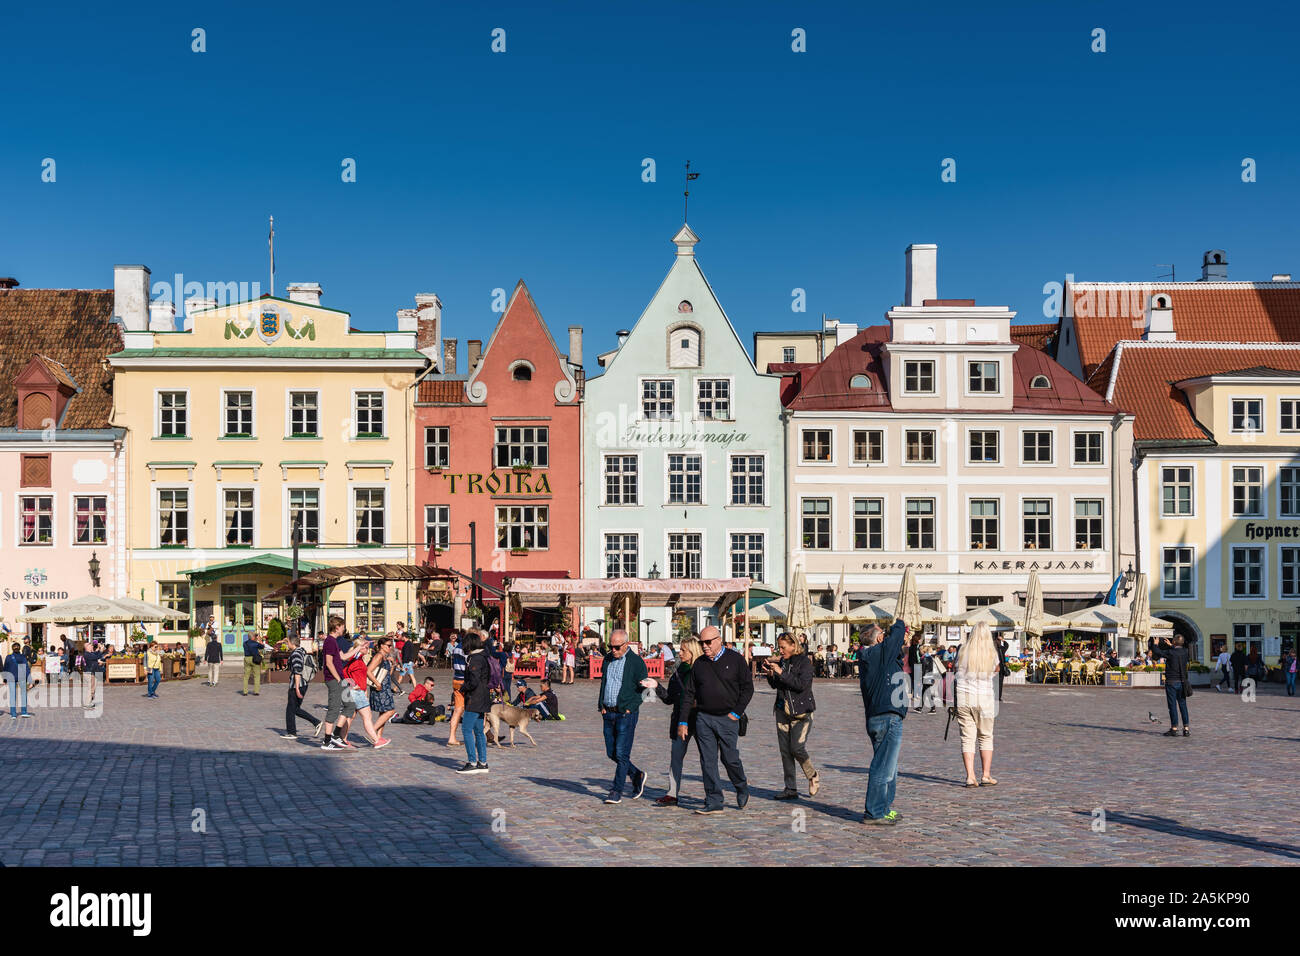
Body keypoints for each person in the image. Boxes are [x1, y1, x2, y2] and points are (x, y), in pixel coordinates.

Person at [678, 625, 752, 815]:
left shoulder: (735, 660)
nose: (705, 646)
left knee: (730, 759)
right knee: (707, 761)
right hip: (704, 718)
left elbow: (747, 689)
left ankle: (741, 786)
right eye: (702, 643)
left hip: (728, 718)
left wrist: (736, 713)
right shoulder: (700, 664)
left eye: (708, 642)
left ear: (719, 640)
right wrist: (683, 721)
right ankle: (714, 800)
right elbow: (689, 693)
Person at [641, 635, 701, 806]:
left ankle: (712, 794)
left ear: (693, 651)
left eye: (683, 650)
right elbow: (669, 699)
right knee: (676, 756)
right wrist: (656, 686)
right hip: (680, 719)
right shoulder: (679, 672)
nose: (679, 653)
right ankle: (672, 793)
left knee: (707, 757)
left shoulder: (702, 670)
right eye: (680, 650)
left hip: (700, 718)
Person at [858, 619, 908, 825]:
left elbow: (898, 650)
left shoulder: (873, 657)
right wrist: (899, 623)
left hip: (879, 717)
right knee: (882, 767)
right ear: (879, 638)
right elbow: (896, 637)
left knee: (890, 767)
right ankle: (875, 812)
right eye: (883, 636)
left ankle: (884, 807)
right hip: (887, 716)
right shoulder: (878, 653)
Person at [765, 632, 819, 800]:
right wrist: (771, 675)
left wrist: (781, 672)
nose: (780, 650)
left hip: (801, 712)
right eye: (779, 647)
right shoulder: (783, 661)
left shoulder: (804, 663)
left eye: (783, 647)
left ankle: (812, 775)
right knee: (785, 751)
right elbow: (778, 685)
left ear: (793, 646)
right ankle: (790, 788)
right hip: (782, 710)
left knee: (796, 747)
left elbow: (801, 685)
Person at [598, 629, 649, 804]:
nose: (613, 650)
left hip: (626, 714)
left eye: (617, 647)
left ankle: (616, 790)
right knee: (612, 753)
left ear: (626, 645)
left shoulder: (636, 662)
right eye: (610, 646)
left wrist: (630, 708)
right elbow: (604, 682)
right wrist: (601, 705)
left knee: (622, 753)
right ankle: (637, 775)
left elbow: (646, 690)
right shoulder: (608, 659)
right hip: (608, 712)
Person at [955, 623, 999, 787]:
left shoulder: (962, 650)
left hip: (964, 697)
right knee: (986, 736)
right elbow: (995, 670)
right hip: (985, 697)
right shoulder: (991, 652)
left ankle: (970, 776)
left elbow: (957, 670)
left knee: (967, 738)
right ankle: (986, 775)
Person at [319, 617, 361, 750]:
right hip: (334, 679)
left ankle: (336, 735)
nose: (344, 628)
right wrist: (337, 678)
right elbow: (329, 662)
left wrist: (359, 648)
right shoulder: (330, 641)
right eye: (342, 626)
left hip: (340, 679)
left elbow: (343, 657)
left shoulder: (334, 641)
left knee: (350, 706)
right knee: (334, 708)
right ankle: (327, 741)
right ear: (337, 627)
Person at [456, 630, 491, 774]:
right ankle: (482, 762)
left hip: (474, 698)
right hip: (482, 697)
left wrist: (463, 688)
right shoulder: (483, 657)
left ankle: (472, 762)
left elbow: (474, 680)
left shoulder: (475, 659)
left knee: (466, 729)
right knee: (478, 731)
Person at [281, 633, 322, 739]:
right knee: (295, 709)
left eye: (288, 642)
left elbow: (298, 671)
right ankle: (315, 722)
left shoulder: (295, 654)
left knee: (291, 709)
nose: (287, 644)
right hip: (303, 684)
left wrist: (297, 688)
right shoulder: (301, 651)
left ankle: (292, 732)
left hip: (297, 685)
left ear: (291, 643)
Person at [1150, 635, 1190, 737]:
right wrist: (1172, 645)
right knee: (1183, 705)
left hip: (1171, 682)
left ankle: (1174, 728)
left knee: (1172, 706)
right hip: (1182, 682)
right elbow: (1177, 651)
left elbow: (1158, 652)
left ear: (1174, 642)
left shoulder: (1171, 652)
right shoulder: (1185, 652)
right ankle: (1186, 729)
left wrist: (1155, 644)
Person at [367, 636, 399, 736]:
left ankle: (378, 737)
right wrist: (377, 683)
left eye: (391, 646)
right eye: (389, 646)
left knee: (383, 712)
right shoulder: (379, 656)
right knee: (390, 711)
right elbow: (368, 671)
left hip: (385, 687)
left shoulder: (385, 657)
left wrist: (392, 665)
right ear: (381, 646)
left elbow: (387, 674)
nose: (391, 648)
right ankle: (371, 731)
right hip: (379, 688)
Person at [4, 643, 31, 718]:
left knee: (12, 695)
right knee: (23, 695)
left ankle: (13, 714)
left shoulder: (8, 657)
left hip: (11, 678)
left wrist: (5, 678)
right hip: (21, 677)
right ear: (19, 648)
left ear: (12, 648)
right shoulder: (22, 657)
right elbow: (26, 668)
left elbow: (5, 667)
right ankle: (24, 712)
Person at [241, 631, 263, 696]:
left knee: (246, 676)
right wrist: (259, 639)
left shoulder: (244, 643)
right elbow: (262, 646)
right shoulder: (256, 643)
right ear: (253, 637)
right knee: (256, 675)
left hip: (247, 659)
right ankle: (256, 691)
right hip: (255, 659)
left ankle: (245, 691)